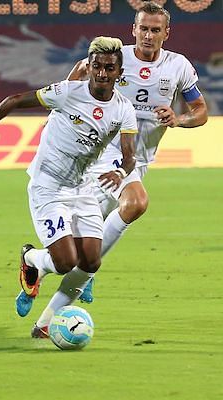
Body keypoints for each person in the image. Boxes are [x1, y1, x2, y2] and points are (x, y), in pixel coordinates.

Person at [22, 1, 208, 311]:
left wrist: (179, 120)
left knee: (85, 240)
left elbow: (200, 111)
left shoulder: (179, 66)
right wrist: (66, 108)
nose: (148, 35)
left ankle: (37, 265)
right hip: (104, 151)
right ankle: (80, 275)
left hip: (140, 158)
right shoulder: (115, 59)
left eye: (155, 30)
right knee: (135, 203)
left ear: (166, 33)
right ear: (134, 30)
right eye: (143, 29)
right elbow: (79, 74)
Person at [0, 37, 138, 338]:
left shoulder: (123, 110)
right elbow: (14, 100)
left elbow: (130, 158)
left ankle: (46, 324)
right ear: (88, 68)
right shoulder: (66, 93)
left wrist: (119, 173)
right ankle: (31, 259)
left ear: (119, 72)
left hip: (81, 187)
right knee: (66, 262)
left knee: (91, 260)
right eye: (97, 67)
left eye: (110, 68)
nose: (103, 73)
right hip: (48, 185)